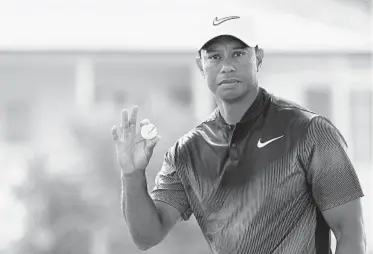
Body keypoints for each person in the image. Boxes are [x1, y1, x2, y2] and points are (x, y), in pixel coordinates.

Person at [111, 15, 366, 254]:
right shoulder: (187, 152)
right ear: (201, 65)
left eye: (238, 53)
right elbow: (147, 236)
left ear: (258, 57)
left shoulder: (310, 132)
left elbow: (351, 233)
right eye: (214, 56)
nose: (227, 66)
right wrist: (132, 174)